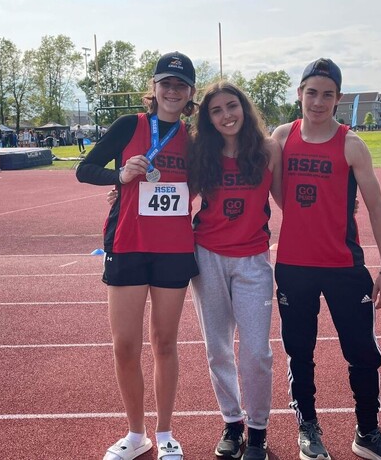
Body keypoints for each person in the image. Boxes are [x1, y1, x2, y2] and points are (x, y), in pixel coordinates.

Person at [271, 58, 381, 460]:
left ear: (338, 99)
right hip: (294, 267)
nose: (318, 101)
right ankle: (308, 429)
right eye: (311, 92)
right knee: (300, 351)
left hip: (344, 267)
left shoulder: (351, 143)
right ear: (299, 94)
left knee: (362, 352)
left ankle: (367, 433)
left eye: (327, 94)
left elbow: (377, 208)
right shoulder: (281, 138)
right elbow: (255, 179)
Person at [76, 51, 198, 460]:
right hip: (127, 244)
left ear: (190, 93)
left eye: (180, 85)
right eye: (166, 83)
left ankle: (164, 434)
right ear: (154, 88)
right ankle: (136, 433)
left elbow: (203, 183)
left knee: (165, 342)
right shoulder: (130, 125)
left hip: (174, 250)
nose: (172, 91)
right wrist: (120, 176)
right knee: (124, 345)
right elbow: (84, 169)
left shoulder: (195, 138)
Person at [187, 82, 282, 460]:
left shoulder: (268, 150)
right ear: (208, 119)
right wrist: (124, 191)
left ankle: (257, 429)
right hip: (207, 256)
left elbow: (289, 199)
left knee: (257, 352)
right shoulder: (201, 154)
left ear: (244, 108)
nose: (227, 115)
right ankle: (232, 423)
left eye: (232, 106)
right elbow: (178, 196)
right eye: (217, 110)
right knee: (218, 349)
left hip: (253, 261)